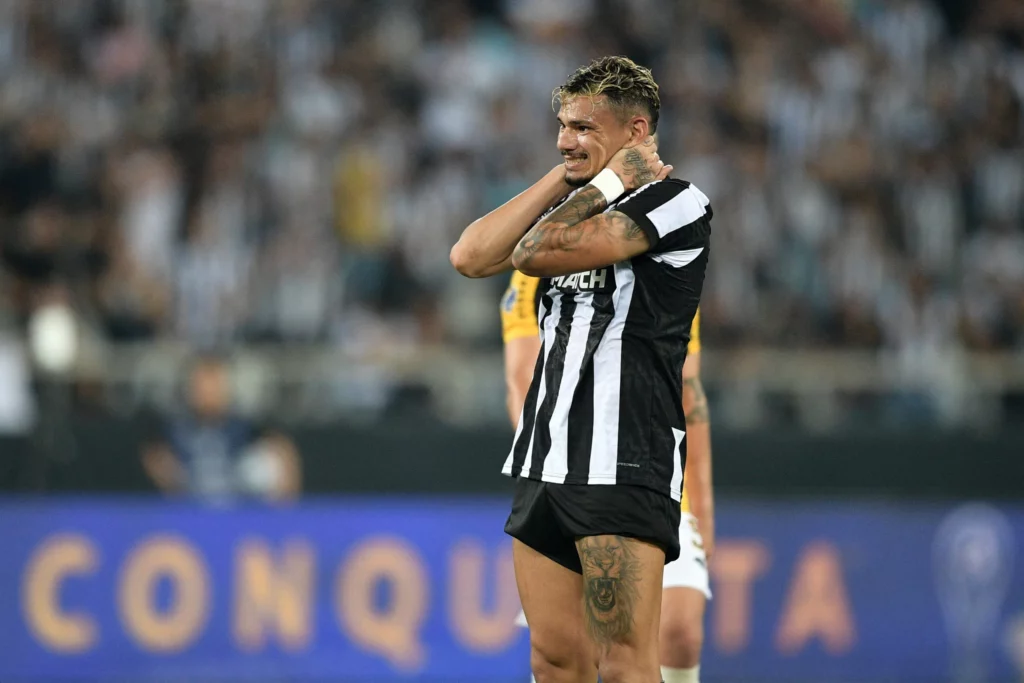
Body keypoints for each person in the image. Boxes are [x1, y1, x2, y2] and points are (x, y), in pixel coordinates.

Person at [451, 56, 712, 683]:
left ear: (636, 132)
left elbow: (534, 252)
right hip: (544, 459)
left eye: (585, 128)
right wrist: (570, 176)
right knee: (554, 659)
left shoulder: (680, 205)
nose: (567, 140)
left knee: (623, 665)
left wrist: (602, 187)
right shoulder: (573, 199)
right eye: (563, 126)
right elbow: (469, 255)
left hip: (624, 460)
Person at [502, 270, 713, 683]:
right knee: (562, 655)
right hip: (566, 473)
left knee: (677, 634)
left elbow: (687, 386)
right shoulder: (538, 264)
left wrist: (703, 507)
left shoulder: (665, 255)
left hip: (649, 473)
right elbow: (523, 375)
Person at [142, 354, 301, 502]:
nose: (208, 392)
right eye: (201, 384)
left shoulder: (244, 425)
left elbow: (281, 449)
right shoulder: (175, 428)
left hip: (239, 504)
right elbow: (154, 458)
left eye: (214, 383)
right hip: (190, 505)